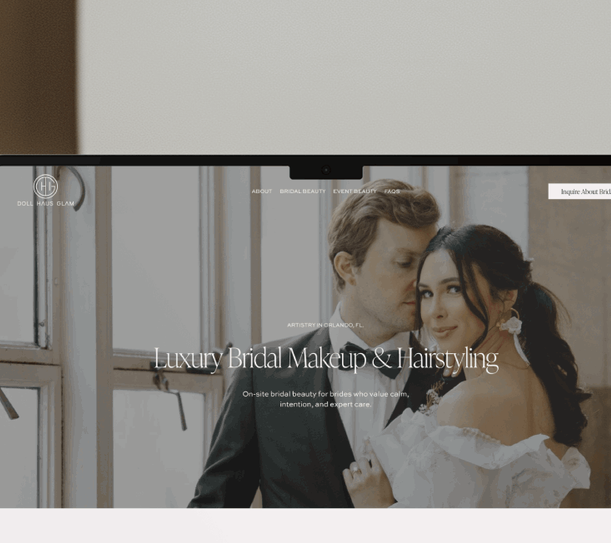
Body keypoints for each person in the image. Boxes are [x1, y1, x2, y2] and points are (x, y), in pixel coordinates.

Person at [188, 179, 442, 507]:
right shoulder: (261, 373)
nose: (423, 282)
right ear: (347, 267)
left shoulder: (454, 383)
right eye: (405, 263)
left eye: (429, 265)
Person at [340, 224, 591, 508]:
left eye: (453, 289)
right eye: (426, 293)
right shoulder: (540, 384)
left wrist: (375, 508)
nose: (434, 312)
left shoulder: (469, 402)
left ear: (507, 295)